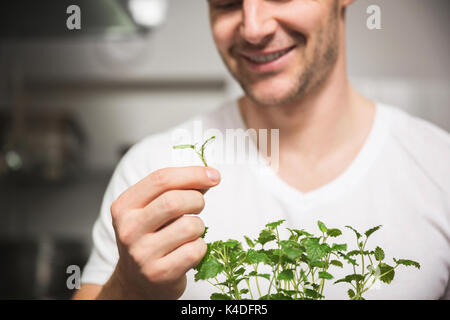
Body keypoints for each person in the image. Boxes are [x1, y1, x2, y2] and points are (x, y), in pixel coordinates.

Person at [73, 0, 450, 299]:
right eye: (226, 3)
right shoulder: (153, 168)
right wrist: (130, 289)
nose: (253, 28)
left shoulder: (438, 167)